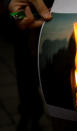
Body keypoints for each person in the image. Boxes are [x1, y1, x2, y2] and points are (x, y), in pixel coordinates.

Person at [8, 0, 53, 130]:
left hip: (68, 32)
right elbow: (11, 15)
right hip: (26, 37)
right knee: (26, 80)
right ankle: (30, 115)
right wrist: (15, 12)